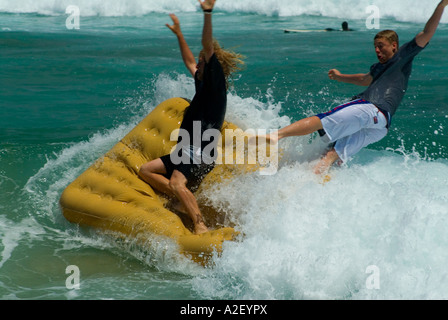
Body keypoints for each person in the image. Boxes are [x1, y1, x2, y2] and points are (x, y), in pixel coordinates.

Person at [265, 0, 448, 175]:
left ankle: (276, 135)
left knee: (324, 119)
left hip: (370, 108)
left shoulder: (404, 55)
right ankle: (315, 182)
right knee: (331, 155)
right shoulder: (377, 68)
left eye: (381, 46)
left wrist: (442, 5)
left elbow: (427, 31)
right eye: (375, 47)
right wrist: (339, 77)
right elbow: (363, 79)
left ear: (394, 46)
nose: (377, 50)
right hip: (380, 125)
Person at [138, 0, 244, 234]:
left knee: (177, 182)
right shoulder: (203, 81)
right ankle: (182, 198)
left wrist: (207, 13)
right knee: (146, 170)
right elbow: (188, 61)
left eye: (202, 60)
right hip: (185, 150)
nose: (197, 63)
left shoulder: (216, 84)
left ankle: (200, 223)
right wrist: (179, 34)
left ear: (212, 64)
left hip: (200, 151)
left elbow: (207, 46)